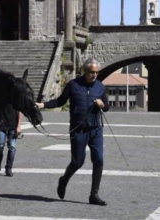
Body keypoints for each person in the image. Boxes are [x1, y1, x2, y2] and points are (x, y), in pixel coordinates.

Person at [36, 58, 109, 206]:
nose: (94, 75)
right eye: (91, 72)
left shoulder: (101, 87)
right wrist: (43, 105)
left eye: (96, 72)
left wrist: (102, 105)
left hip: (96, 129)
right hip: (78, 129)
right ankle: (64, 180)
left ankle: (94, 194)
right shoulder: (73, 85)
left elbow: (106, 107)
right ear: (84, 71)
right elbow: (60, 101)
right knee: (77, 161)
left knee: (99, 160)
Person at [0, 104, 23, 177]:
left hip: (13, 125)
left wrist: (19, 126)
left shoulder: (16, 96)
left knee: (12, 147)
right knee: (0, 146)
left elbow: (20, 110)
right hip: (1, 123)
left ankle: (9, 167)